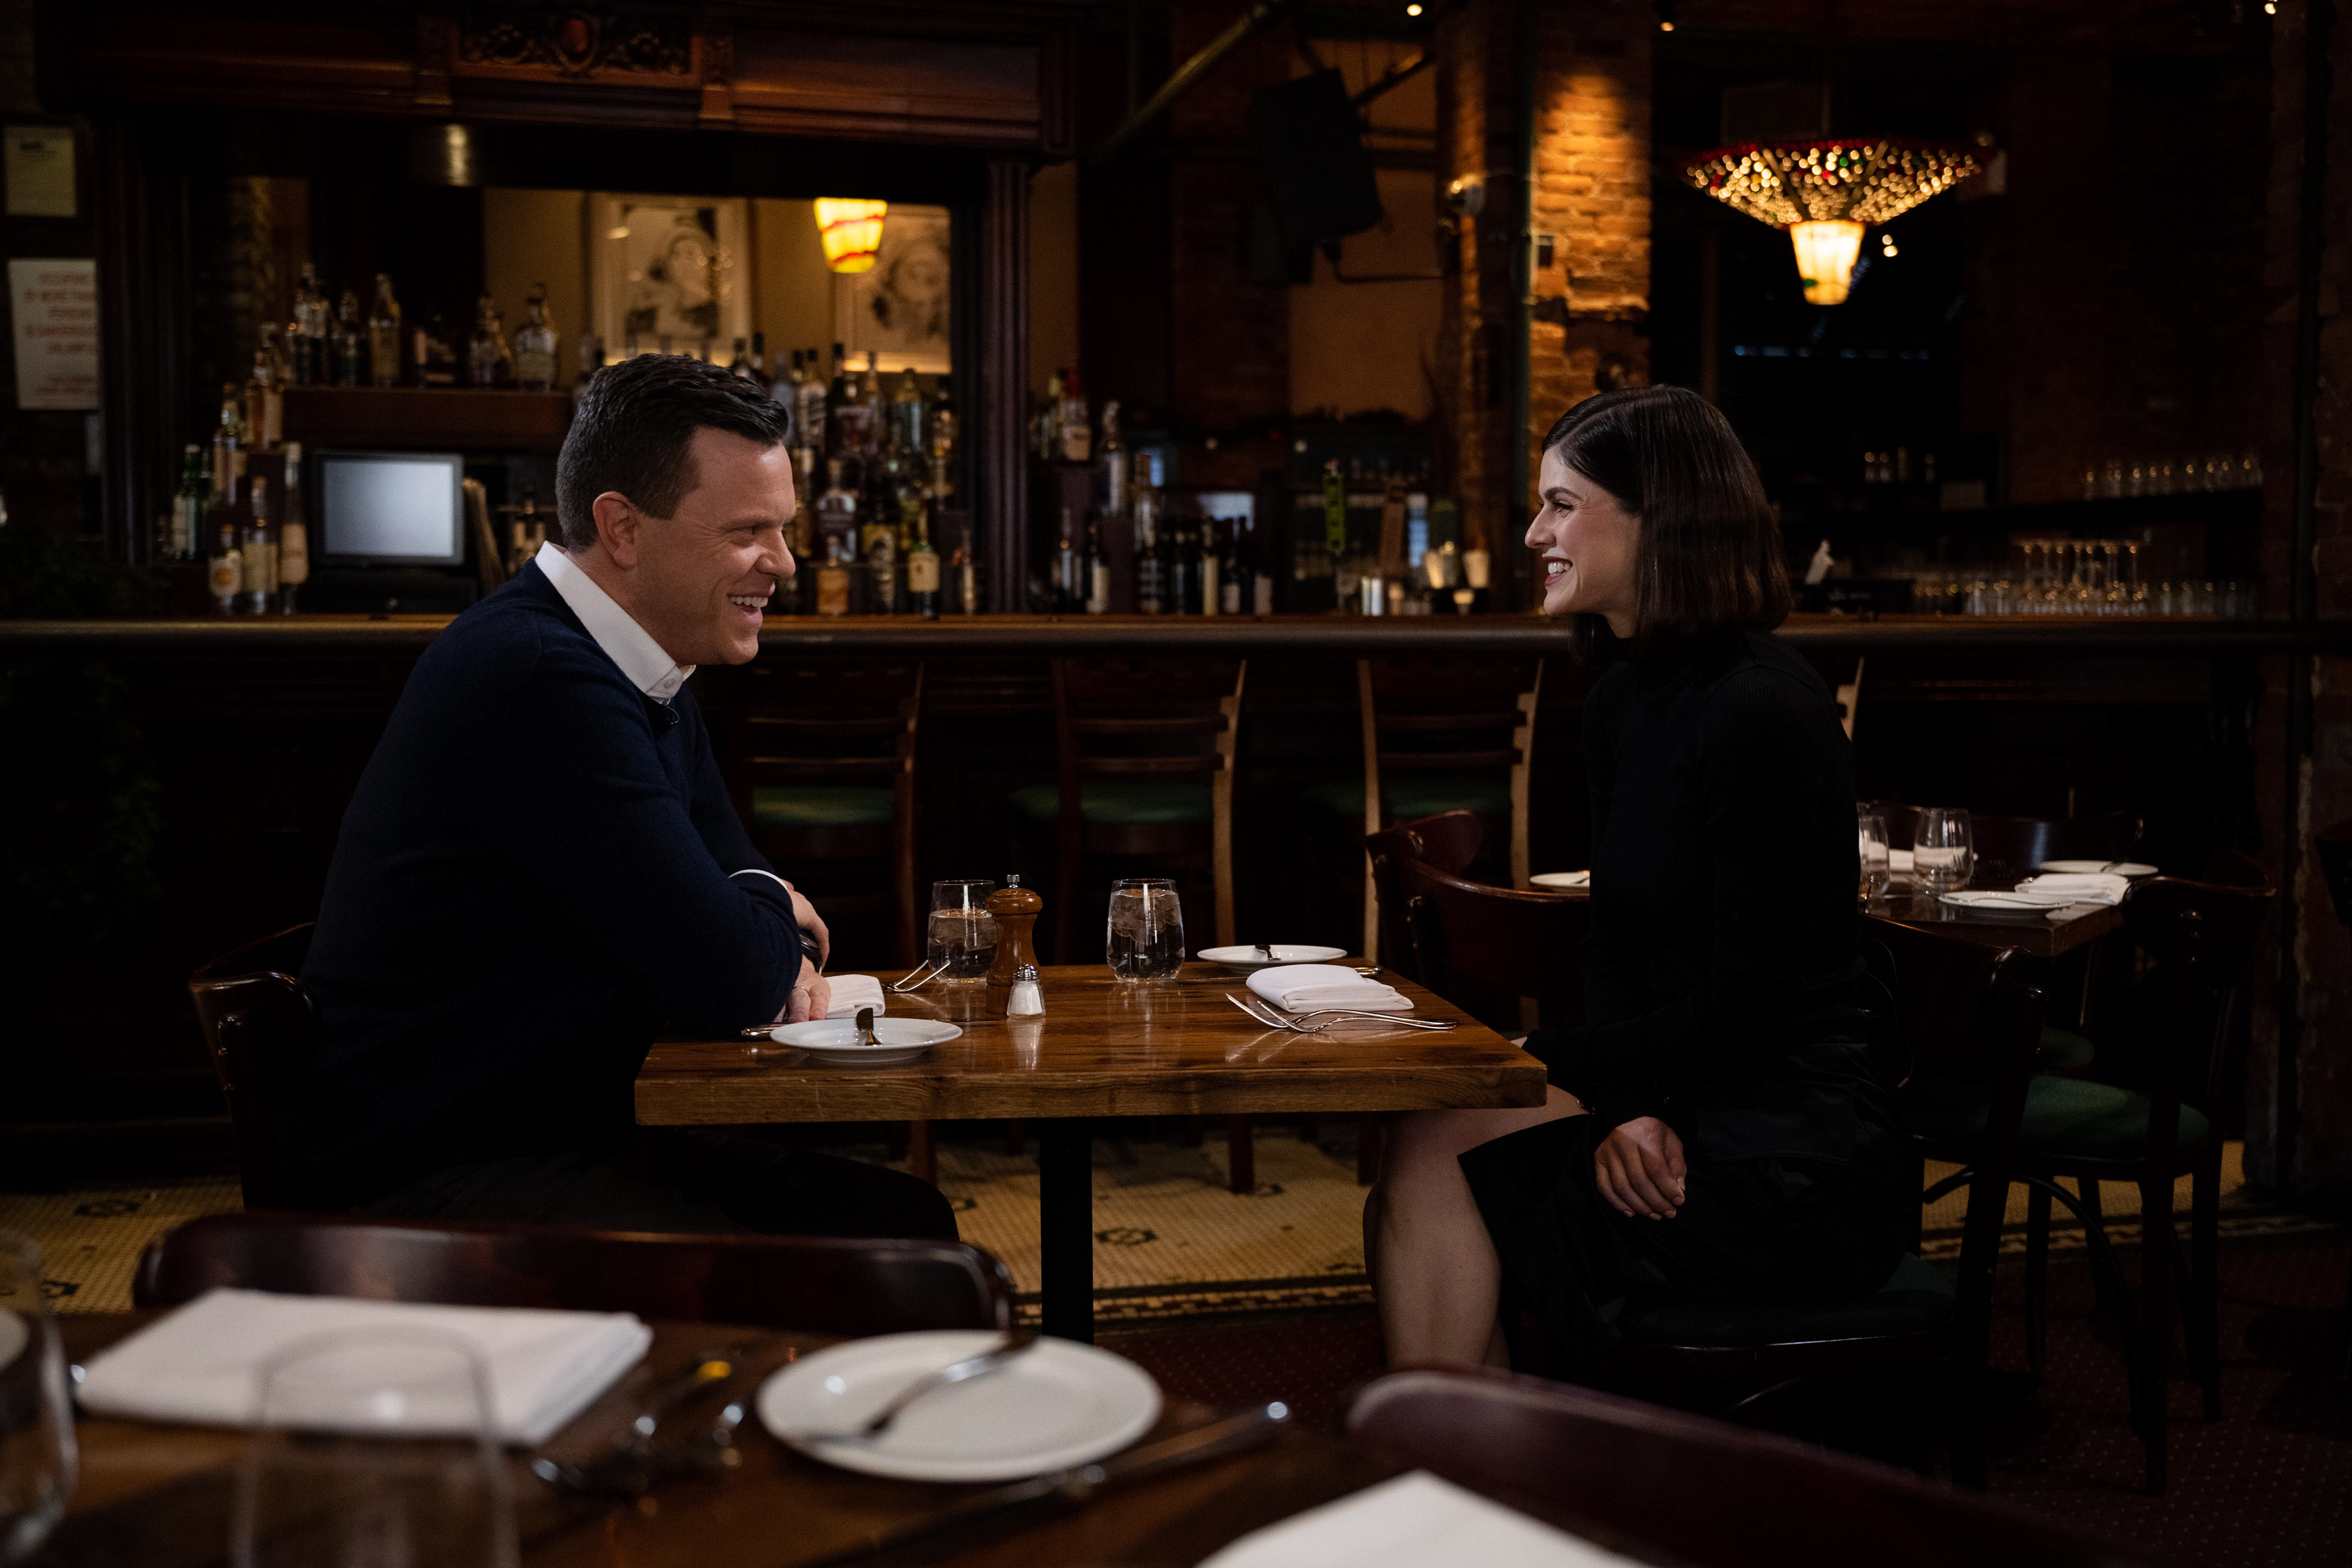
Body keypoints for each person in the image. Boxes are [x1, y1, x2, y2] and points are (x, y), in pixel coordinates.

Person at [287, 353, 955, 1240]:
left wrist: (748, 911)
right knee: (897, 1254)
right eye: (748, 532)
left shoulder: (643, 670)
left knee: (908, 1223)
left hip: (566, 1135)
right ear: (623, 528)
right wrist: (763, 908)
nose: (784, 564)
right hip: (439, 1183)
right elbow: (736, 976)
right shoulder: (541, 678)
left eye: (784, 529)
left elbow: (735, 908)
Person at [1366, 385, 1906, 1379]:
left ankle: (1445, 1451)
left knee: (1445, 1151)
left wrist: (1542, 1059)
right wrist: (1619, 1103)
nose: (1535, 535)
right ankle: (1464, 1449)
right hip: (1680, 1099)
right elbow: (1611, 942)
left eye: (1561, 505)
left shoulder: (1763, 710)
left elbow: (1752, 1008)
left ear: (1662, 517)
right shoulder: (1623, 699)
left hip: (1793, 1153)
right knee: (1432, 1131)